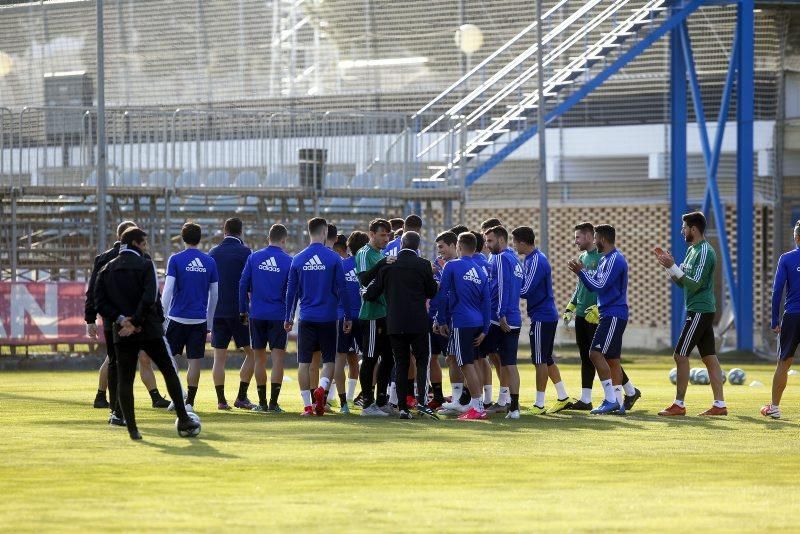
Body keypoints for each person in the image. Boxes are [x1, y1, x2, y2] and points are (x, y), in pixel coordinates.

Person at [94, 228, 199, 440]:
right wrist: (137, 321)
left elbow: (100, 303)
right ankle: (183, 417)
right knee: (169, 370)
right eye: (144, 243)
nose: (146, 248)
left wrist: (123, 320)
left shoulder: (106, 269)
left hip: (122, 333)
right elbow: (150, 297)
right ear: (136, 243)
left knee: (125, 378)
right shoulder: (145, 265)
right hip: (149, 329)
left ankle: (132, 428)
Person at [85, 220, 170, 420]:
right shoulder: (143, 259)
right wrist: (157, 317)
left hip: (112, 320)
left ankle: (113, 405)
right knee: (141, 359)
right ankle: (143, 400)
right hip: (140, 320)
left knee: (115, 360)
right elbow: (152, 294)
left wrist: (90, 318)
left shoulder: (103, 259)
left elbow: (93, 292)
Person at [654, 212, 726, 416]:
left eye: (684, 227)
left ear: (693, 229)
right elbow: (681, 282)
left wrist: (673, 267)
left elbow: (694, 284)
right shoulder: (692, 250)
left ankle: (679, 404)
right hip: (699, 309)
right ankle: (720, 405)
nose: (682, 231)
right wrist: (669, 267)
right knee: (710, 358)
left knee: (680, 355)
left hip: (700, 310)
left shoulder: (704, 251)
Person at [563, 222, 639, 410]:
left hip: (613, 313)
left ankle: (611, 400)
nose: (595, 241)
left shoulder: (615, 259)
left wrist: (581, 272)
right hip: (607, 313)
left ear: (602, 239)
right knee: (612, 359)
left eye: (596, 238)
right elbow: (591, 284)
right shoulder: (605, 259)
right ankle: (619, 402)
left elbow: (599, 286)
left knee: (595, 354)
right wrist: (582, 275)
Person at [365, 231, 439, 419]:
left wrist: (363, 291)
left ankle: (403, 408)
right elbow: (432, 292)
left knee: (401, 363)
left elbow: (372, 293)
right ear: (417, 246)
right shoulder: (423, 265)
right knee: (422, 362)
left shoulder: (389, 266)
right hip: (418, 322)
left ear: (401, 244)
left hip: (395, 322)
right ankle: (422, 402)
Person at [284, 217, 351, 416]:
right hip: (329, 318)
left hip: (306, 318)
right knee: (329, 361)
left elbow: (291, 292)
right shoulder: (333, 259)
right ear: (324, 234)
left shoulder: (298, 258)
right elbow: (343, 289)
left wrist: (288, 317)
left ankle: (307, 406)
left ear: (309, 232)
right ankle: (322, 388)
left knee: (304, 363)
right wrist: (347, 315)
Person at [512, 226, 576, 415]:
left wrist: (508, 286)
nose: (514, 246)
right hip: (543, 315)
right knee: (546, 359)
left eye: (515, 242)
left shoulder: (536, 260)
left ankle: (539, 404)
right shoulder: (532, 259)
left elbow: (525, 290)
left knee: (539, 360)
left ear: (523, 242)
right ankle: (563, 396)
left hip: (542, 316)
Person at [162, 222, 219, 411]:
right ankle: (190, 403)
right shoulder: (209, 261)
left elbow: (168, 290)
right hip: (199, 319)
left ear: (182, 238)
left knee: (168, 358)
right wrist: (209, 321)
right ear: (199, 238)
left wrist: (162, 316)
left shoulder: (176, 259)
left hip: (177, 317)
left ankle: (178, 395)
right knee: (194, 361)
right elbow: (215, 294)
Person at [436, 232, 491, 420]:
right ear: (475, 248)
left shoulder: (452, 265)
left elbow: (442, 294)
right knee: (471, 363)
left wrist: (441, 320)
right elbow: (487, 303)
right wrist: (485, 329)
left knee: (466, 364)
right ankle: (468, 403)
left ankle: (477, 406)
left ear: (458, 246)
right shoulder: (480, 270)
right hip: (476, 323)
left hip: (461, 322)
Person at [239, 223, 293, 413]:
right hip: (278, 315)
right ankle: (273, 403)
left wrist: (243, 310)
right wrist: (290, 315)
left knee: (259, 359)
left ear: (268, 238)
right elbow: (291, 292)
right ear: (284, 240)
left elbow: (242, 284)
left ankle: (261, 403)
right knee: (278, 360)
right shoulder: (288, 261)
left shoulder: (254, 257)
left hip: (257, 314)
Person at [208, 217, 256, 410]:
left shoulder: (213, 252)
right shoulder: (246, 252)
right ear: (241, 232)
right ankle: (241, 397)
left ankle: (221, 400)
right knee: (251, 354)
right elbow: (250, 283)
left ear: (224, 230)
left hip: (218, 310)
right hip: (240, 310)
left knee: (219, 358)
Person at [480, 226, 524, 413]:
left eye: (490, 241)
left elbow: (503, 287)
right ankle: (511, 406)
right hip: (514, 316)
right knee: (508, 363)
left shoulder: (500, 258)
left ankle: (472, 400)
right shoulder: (515, 259)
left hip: (500, 319)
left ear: (500, 240)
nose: (487, 246)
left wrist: (501, 313)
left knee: (474, 357)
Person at [354, 218, 395, 416]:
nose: (386, 239)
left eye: (388, 235)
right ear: (371, 234)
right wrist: (381, 264)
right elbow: (363, 279)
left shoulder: (382, 254)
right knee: (370, 358)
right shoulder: (364, 253)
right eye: (382, 235)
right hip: (370, 314)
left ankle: (381, 400)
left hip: (385, 314)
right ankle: (367, 404)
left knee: (388, 358)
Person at [762, 220, 800, 419]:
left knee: (783, 363)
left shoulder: (786, 259)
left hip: (793, 316)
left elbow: (777, 291)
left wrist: (774, 320)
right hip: (794, 314)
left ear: (796, 237)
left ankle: (774, 408)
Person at [430, 231, 466, 414]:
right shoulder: (437, 265)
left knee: (458, 359)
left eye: (442, 247)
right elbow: (437, 294)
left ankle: (463, 400)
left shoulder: (458, 266)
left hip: (455, 320)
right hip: (440, 319)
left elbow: (451, 293)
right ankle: (456, 398)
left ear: (453, 245)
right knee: (449, 358)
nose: (439, 252)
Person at [334, 231, 368, 414]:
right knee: (369, 358)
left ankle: (343, 404)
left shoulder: (341, 265)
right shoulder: (367, 266)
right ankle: (366, 399)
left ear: (348, 247)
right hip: (364, 317)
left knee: (340, 359)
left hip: (342, 316)